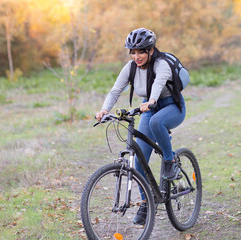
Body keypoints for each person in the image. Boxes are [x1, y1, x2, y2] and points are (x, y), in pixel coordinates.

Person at [95, 28, 186, 225]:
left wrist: (152, 100)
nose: (137, 56)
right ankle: (146, 202)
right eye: (133, 52)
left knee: (156, 121)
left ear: (151, 50)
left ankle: (169, 162)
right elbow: (116, 90)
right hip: (149, 107)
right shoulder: (131, 67)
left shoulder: (161, 65)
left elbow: (159, 83)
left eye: (141, 51)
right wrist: (104, 109)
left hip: (171, 106)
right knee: (139, 161)